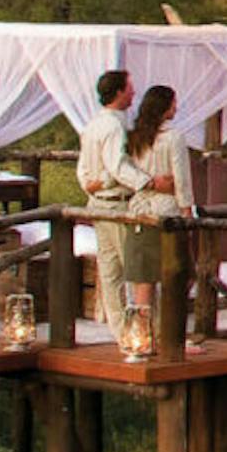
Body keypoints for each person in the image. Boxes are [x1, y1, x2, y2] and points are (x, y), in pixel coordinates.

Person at [117, 84, 192, 330]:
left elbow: (126, 171)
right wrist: (187, 209)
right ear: (164, 107)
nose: (177, 108)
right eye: (173, 103)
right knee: (175, 275)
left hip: (139, 210)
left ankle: (142, 334)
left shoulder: (136, 137)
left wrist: (145, 183)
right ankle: (167, 333)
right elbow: (181, 177)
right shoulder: (173, 138)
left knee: (144, 279)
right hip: (165, 211)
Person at [75, 68, 136, 334]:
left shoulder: (93, 125)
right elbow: (116, 167)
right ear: (119, 92)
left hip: (98, 204)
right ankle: (142, 330)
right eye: (130, 88)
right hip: (114, 204)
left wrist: (91, 186)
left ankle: (121, 332)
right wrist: (148, 182)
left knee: (110, 271)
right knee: (132, 268)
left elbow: (82, 171)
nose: (134, 92)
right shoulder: (113, 127)